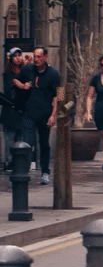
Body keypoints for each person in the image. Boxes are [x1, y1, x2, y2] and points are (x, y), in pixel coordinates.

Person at [15, 47, 59, 185]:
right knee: (27, 143)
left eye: (39, 56)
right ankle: (24, 171)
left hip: (45, 115)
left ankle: (45, 172)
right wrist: (22, 86)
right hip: (28, 113)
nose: (36, 59)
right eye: (35, 56)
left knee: (44, 144)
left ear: (46, 57)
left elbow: (60, 96)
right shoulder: (28, 69)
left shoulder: (54, 74)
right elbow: (15, 80)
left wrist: (53, 115)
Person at [1, 48, 25, 171]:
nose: (18, 58)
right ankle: (11, 162)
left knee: (21, 137)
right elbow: (9, 92)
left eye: (19, 55)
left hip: (23, 111)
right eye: (15, 56)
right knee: (10, 137)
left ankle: (20, 162)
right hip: (11, 110)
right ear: (11, 58)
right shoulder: (8, 73)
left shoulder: (26, 72)